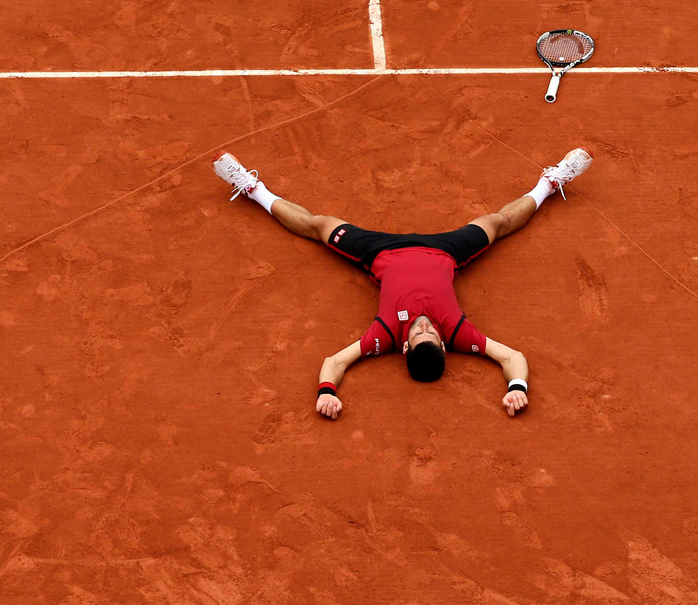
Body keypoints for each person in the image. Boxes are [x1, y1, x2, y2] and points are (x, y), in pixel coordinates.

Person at [212, 148, 592, 420]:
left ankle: (252, 189)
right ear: (443, 343)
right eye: (429, 332)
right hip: (445, 252)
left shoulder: (383, 337)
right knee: (496, 223)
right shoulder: (459, 334)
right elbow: (513, 358)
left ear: (405, 349)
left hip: (381, 253)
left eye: (417, 334)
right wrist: (516, 388)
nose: (423, 325)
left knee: (319, 226)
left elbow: (334, 362)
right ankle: (550, 181)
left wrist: (327, 393)